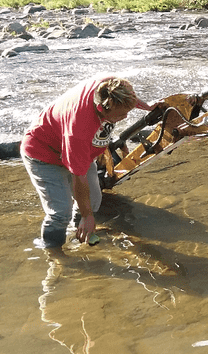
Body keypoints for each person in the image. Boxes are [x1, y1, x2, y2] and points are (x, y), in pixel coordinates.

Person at [21, 75, 154, 249]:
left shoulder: (110, 85)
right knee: (60, 213)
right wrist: (87, 216)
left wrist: (149, 107)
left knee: (93, 201)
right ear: (103, 107)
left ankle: (79, 233)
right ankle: (53, 253)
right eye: (121, 114)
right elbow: (79, 176)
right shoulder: (79, 128)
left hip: (74, 148)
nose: (125, 116)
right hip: (44, 155)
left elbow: (127, 98)